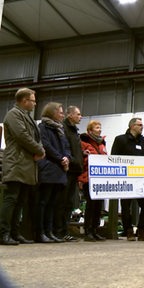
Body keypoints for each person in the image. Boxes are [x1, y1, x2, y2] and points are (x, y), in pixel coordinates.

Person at [0, 88, 45, 245]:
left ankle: (14, 232)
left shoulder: (26, 116)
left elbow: (35, 137)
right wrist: (39, 150)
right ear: (24, 101)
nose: (35, 103)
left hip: (26, 164)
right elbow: (22, 136)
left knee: (20, 201)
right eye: (33, 100)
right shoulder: (13, 114)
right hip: (16, 162)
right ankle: (3, 234)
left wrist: (39, 149)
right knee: (11, 199)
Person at [111, 117, 144, 241]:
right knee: (126, 206)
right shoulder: (120, 140)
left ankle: (142, 231)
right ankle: (128, 231)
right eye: (139, 124)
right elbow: (114, 157)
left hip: (141, 179)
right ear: (132, 126)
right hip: (126, 178)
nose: (142, 126)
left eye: (142, 124)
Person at [36, 102, 71, 243]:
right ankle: (40, 232)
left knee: (52, 203)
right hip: (48, 168)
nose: (63, 115)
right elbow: (45, 145)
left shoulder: (60, 129)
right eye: (60, 112)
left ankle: (49, 232)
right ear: (52, 112)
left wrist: (67, 157)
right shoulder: (42, 127)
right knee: (43, 202)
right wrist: (60, 158)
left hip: (59, 170)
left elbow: (66, 146)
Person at [55, 105, 83, 241]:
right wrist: (72, 160)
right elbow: (65, 148)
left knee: (68, 203)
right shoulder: (64, 128)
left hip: (74, 170)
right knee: (62, 201)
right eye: (78, 114)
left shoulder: (74, 130)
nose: (80, 116)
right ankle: (59, 231)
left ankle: (64, 230)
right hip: (67, 170)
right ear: (70, 115)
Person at [78, 120, 107, 242]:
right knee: (90, 205)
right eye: (96, 127)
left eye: (100, 127)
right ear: (90, 130)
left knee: (98, 205)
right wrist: (85, 156)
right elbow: (80, 159)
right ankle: (88, 230)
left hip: (99, 179)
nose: (99, 129)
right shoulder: (83, 142)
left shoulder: (102, 144)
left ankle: (95, 230)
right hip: (88, 178)